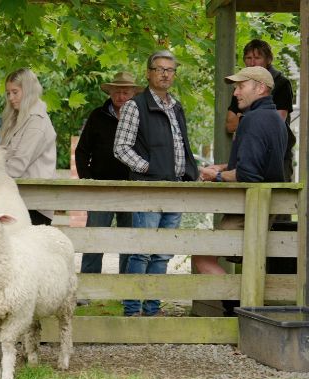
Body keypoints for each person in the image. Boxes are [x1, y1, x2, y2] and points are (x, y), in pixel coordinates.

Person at [113, 50, 199, 317]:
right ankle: (132, 310)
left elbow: (181, 147)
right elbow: (121, 148)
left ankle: (152, 310)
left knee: (163, 254)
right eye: (159, 69)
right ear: (149, 73)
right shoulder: (134, 106)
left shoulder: (176, 106)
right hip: (149, 190)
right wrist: (147, 168)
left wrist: (189, 172)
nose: (165, 74)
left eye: (170, 70)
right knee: (142, 252)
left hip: (175, 188)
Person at [193, 67, 287, 294]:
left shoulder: (253, 120)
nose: (235, 93)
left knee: (202, 258)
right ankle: (245, 310)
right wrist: (224, 167)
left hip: (247, 209)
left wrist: (214, 175)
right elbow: (260, 162)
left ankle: (235, 312)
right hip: (265, 206)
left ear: (261, 87)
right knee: (250, 265)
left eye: (241, 86)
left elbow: (248, 175)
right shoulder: (275, 119)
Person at [75, 72, 140, 276]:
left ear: (133, 94)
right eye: (117, 92)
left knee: (129, 239)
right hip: (101, 186)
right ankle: (88, 286)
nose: (121, 96)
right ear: (110, 93)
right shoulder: (97, 115)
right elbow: (82, 150)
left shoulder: (141, 117)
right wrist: (88, 180)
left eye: (126, 92)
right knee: (94, 238)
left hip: (133, 187)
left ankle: (125, 289)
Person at [225, 39, 295, 181]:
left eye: (257, 58)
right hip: (250, 160)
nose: (252, 62)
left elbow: (273, 126)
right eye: (248, 58)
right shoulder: (242, 90)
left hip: (279, 158)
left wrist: (247, 118)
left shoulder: (282, 83)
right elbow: (230, 125)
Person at [0, 68, 57, 225]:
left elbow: (18, 165)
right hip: (17, 199)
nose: (10, 98)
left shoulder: (37, 121)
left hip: (33, 203)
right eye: (8, 93)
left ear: (28, 90)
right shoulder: (17, 118)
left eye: (15, 92)